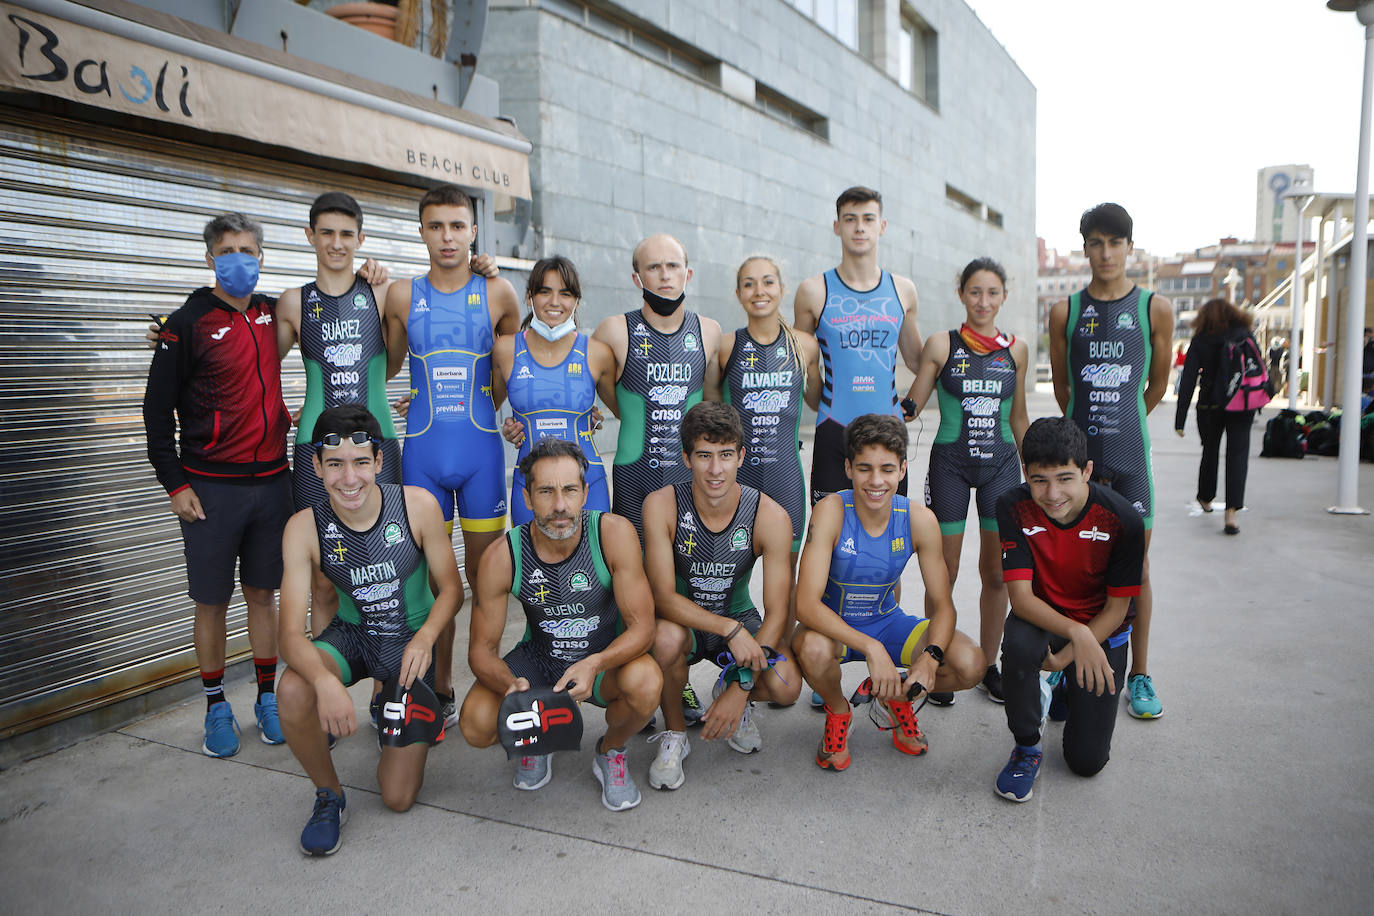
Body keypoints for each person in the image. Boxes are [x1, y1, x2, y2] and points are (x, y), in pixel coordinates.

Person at [275, 405, 462, 854]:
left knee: (397, 798)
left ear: (379, 461)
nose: (349, 478)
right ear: (316, 465)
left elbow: (453, 590)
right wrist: (323, 681)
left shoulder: (416, 505)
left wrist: (425, 637)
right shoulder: (303, 528)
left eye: (361, 462)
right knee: (294, 689)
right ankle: (329, 794)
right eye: (334, 464)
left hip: (409, 643)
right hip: (353, 636)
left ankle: (398, 709)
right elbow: (288, 634)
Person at [143, 212, 292, 757]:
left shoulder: (274, 313)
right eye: (228, 250)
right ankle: (215, 706)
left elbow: (333, 305)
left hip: (274, 481)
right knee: (211, 602)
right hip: (211, 489)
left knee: (263, 595)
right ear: (210, 257)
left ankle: (268, 697)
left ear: (262, 257)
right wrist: (175, 485)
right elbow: (156, 416)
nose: (239, 260)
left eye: (248, 250)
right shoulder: (185, 324)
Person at [458, 438, 662, 812]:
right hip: (540, 660)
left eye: (569, 490)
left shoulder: (612, 534)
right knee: (476, 723)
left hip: (602, 658)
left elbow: (643, 627)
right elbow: (481, 650)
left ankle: (610, 750)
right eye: (546, 492)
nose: (559, 506)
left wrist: (595, 663)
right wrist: (511, 685)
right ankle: (539, 738)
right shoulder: (502, 555)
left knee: (647, 684)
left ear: (586, 492)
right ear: (526, 497)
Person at [384, 183, 521, 725]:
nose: (447, 237)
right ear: (421, 232)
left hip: (481, 452)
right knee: (432, 581)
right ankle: (437, 688)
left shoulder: (500, 293)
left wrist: (492, 405)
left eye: (457, 226)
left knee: (487, 578)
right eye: (436, 226)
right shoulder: (398, 295)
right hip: (422, 455)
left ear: (473, 231)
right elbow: (387, 367)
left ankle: (494, 677)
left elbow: (513, 364)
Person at [793, 414, 984, 772]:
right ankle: (838, 710)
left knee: (970, 663)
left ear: (902, 469)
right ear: (848, 468)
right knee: (811, 648)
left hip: (887, 622)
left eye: (886, 468)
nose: (876, 481)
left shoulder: (918, 519)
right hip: (834, 630)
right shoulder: (831, 510)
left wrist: (929, 657)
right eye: (864, 468)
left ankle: (896, 696)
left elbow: (943, 606)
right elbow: (805, 605)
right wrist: (871, 648)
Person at [1048, 202, 1171, 721]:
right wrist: (1085, 433)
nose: (1105, 253)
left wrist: (1124, 420)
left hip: (1130, 459)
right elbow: (1063, 387)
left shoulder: (1154, 308)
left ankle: (1138, 674)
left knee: (1135, 567)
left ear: (1129, 247)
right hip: (1083, 461)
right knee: (1071, 563)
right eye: (1095, 243)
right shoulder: (1065, 311)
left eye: (1114, 243)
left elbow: (1158, 384)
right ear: (1085, 249)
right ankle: (1061, 667)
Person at [641, 403, 803, 789]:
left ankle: (729, 690)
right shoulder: (661, 505)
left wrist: (741, 684)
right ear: (686, 458)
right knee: (664, 640)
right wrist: (728, 629)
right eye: (704, 456)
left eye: (726, 455)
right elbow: (662, 596)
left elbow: (779, 612)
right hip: (686, 623)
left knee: (786, 685)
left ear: (741, 456)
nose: (716, 470)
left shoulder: (770, 515)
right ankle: (675, 734)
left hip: (739, 617)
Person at [993, 417, 1144, 802]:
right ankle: (1027, 745)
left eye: (1065, 478)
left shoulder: (1123, 518)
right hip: (1044, 617)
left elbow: (1117, 609)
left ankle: (1065, 687)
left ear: (1087, 471)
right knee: (1019, 648)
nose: (1052, 492)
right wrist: (1072, 635)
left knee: (1086, 763)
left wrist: (1065, 658)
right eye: (1040, 479)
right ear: (1025, 473)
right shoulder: (1012, 506)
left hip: (1102, 626)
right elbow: (1022, 599)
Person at [902, 258, 1029, 704]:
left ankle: (988, 663)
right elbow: (912, 404)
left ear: (1004, 297)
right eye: (975, 291)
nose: (983, 301)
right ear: (962, 294)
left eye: (992, 292)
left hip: (1000, 468)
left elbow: (1018, 418)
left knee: (996, 573)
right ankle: (935, 659)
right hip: (950, 466)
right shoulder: (942, 344)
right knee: (945, 572)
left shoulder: (1016, 350)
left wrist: (1037, 473)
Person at [794, 186, 922, 505]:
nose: (860, 227)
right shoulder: (813, 291)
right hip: (833, 427)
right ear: (837, 226)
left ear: (882, 226)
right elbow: (801, 365)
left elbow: (920, 362)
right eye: (850, 219)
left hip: (889, 428)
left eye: (868, 218)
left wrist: (914, 402)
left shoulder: (903, 291)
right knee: (829, 537)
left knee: (889, 540)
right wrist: (821, 402)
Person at [592, 233, 722, 538]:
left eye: (673, 265)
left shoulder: (710, 330)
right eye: (653, 267)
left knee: (686, 571)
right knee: (634, 569)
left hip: (690, 473)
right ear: (637, 278)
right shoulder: (613, 330)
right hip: (635, 473)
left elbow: (714, 405)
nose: (665, 274)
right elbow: (596, 388)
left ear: (687, 274)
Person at [494, 255, 618, 525]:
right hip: (530, 485)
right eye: (544, 291)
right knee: (532, 565)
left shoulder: (597, 353)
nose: (554, 302)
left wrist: (589, 416)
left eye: (565, 293)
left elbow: (626, 410)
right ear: (529, 297)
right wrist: (507, 428)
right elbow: (481, 405)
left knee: (593, 564)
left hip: (588, 484)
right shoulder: (505, 349)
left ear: (576, 300)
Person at [720, 255, 821, 560]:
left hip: (786, 475)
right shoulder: (726, 346)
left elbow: (816, 400)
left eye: (767, 282)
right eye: (748, 285)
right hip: (736, 477)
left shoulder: (804, 346)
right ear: (739, 295)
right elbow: (711, 412)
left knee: (785, 575)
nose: (759, 291)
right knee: (730, 573)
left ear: (782, 289)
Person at [1174, 298, 1263, 535]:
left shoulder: (1201, 339)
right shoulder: (1244, 333)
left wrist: (1179, 419)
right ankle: (1231, 514)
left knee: (1210, 450)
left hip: (1210, 405)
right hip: (1241, 403)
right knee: (1238, 454)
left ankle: (1205, 498)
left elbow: (1188, 380)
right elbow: (1256, 367)